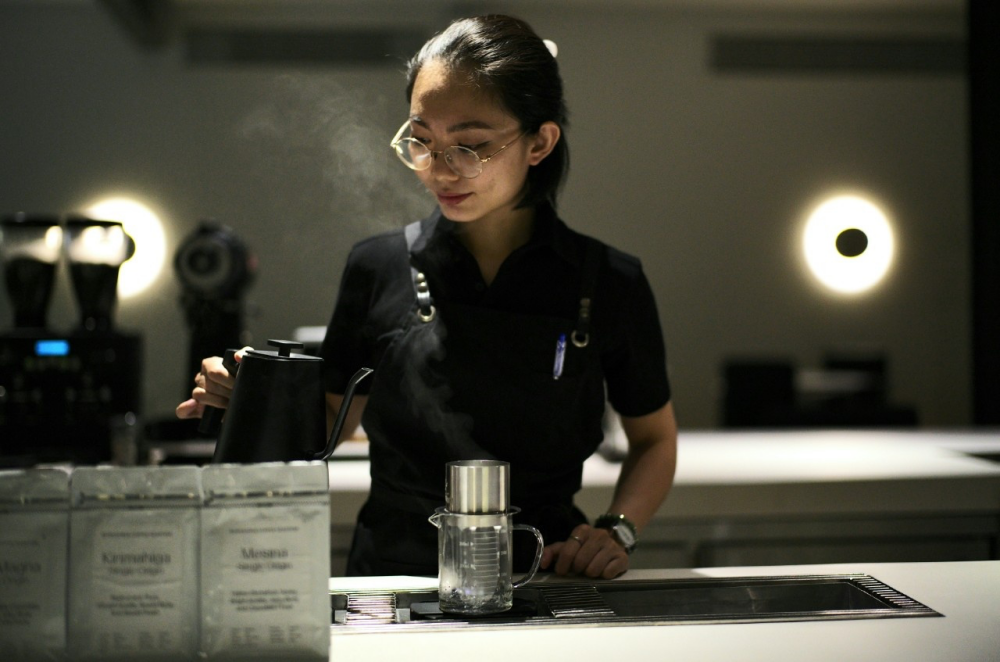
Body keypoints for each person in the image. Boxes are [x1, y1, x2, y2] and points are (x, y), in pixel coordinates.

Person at [177, 14, 677, 580]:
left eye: (469, 146)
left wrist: (618, 529)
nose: (438, 170)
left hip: (546, 574)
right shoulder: (378, 265)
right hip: (393, 578)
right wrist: (250, 396)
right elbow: (328, 425)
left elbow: (655, 440)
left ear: (539, 142)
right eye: (421, 139)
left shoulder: (607, 281)